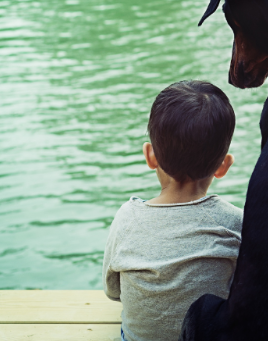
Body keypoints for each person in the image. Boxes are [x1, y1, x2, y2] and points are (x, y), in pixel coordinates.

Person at [103, 80, 243, 341]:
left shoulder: (127, 219)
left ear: (150, 156)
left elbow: (113, 291)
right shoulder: (235, 223)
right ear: (223, 166)